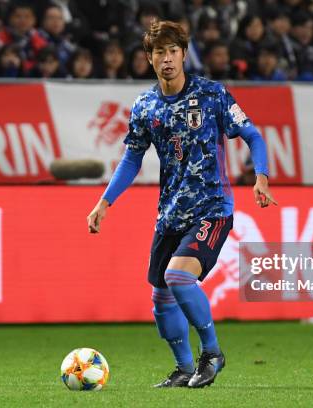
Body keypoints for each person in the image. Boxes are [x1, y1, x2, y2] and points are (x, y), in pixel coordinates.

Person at [86, 20, 275, 389]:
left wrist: (261, 176)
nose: (167, 59)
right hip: (170, 214)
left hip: (212, 208)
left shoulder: (212, 95)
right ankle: (185, 368)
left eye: (173, 51)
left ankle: (212, 353)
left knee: (178, 277)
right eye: (160, 52)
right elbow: (132, 159)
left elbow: (252, 135)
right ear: (149, 58)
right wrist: (104, 202)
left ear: (184, 55)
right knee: (160, 295)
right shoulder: (144, 106)